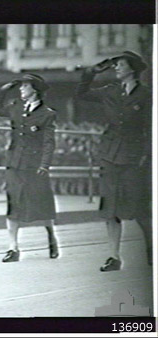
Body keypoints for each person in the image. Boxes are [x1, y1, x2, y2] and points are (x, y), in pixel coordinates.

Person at [76, 51, 152, 271]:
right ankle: (114, 257)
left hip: (134, 157)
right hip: (110, 155)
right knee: (110, 209)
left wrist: (145, 156)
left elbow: (150, 129)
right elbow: (81, 93)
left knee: (139, 209)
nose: (116, 68)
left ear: (132, 68)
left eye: (120, 65)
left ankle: (151, 252)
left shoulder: (146, 95)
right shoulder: (110, 91)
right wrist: (90, 73)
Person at [0, 74, 59, 262]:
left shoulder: (47, 114)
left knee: (41, 203)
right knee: (13, 203)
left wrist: (45, 164)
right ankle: (13, 248)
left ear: (35, 90)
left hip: (34, 164)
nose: (21, 89)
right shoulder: (15, 107)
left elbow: (48, 142)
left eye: (25, 86)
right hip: (15, 162)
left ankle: (51, 236)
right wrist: (4, 89)